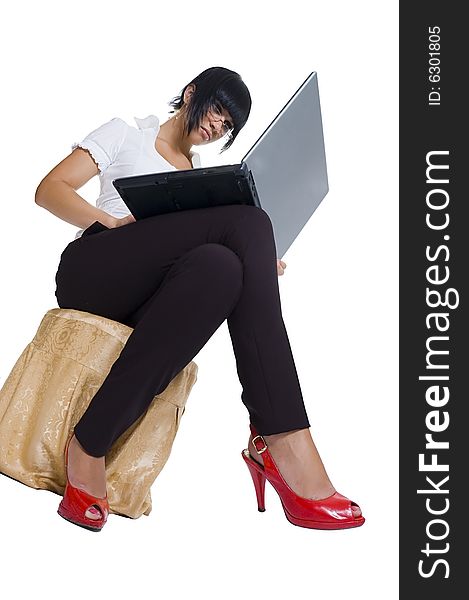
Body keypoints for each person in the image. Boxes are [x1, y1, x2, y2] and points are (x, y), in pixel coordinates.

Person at [35, 66, 365, 532]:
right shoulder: (126, 134)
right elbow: (49, 190)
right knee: (248, 224)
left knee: (223, 267)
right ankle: (282, 435)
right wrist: (110, 222)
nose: (217, 127)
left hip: (152, 294)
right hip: (95, 266)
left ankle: (90, 441)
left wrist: (255, 263)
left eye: (228, 125)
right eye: (216, 110)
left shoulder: (202, 184)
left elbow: (202, 255)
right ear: (191, 93)